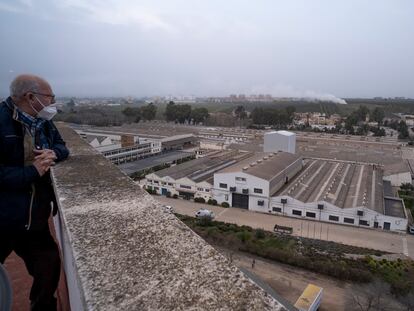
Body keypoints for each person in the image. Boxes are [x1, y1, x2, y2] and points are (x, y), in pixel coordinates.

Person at [0, 74, 69, 311]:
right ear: (31, 97)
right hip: (5, 216)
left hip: (35, 217)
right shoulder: (1, 122)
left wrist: (53, 153)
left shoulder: (43, 122)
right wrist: (32, 172)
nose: (52, 103)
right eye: (49, 97)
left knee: (48, 268)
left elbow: (62, 146)